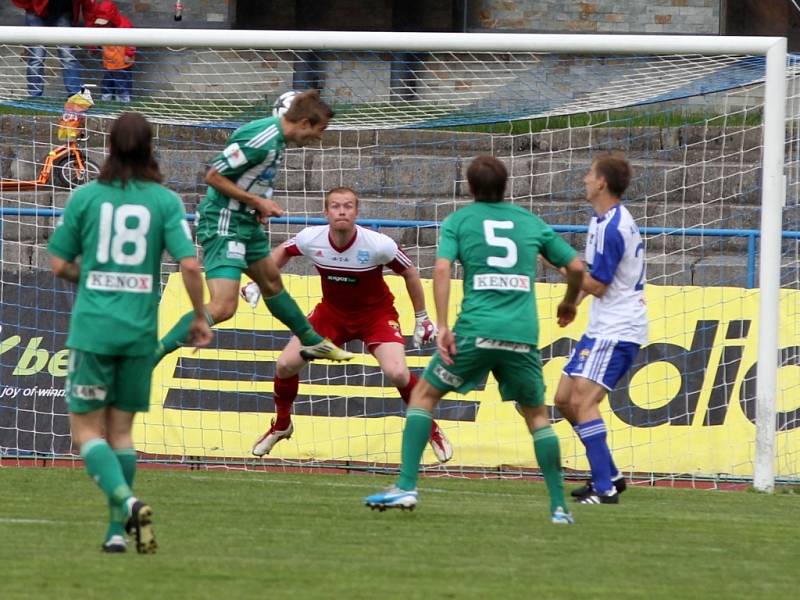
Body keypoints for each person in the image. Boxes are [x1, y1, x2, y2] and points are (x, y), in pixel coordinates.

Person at [364, 155, 585, 524]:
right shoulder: (529, 221)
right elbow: (576, 267)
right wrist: (568, 302)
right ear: (506, 186)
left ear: (469, 187)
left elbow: (441, 268)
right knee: (537, 417)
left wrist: (443, 325)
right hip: (521, 336)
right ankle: (559, 508)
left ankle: (406, 485)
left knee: (423, 397)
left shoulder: (459, 221)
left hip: (475, 331)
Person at [47, 112, 213, 553]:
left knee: (86, 433)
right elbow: (191, 265)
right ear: (149, 148)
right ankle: (115, 533)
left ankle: (126, 501)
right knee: (121, 434)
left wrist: (95, 274)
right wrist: (199, 316)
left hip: (94, 330)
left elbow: (60, 263)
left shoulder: (86, 198)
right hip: (140, 331)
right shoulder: (165, 202)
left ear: (110, 147)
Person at [242, 187, 453, 462]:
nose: (342, 211)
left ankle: (429, 427)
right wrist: (260, 281)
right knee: (285, 365)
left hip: (375, 316)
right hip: (331, 315)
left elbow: (411, 273)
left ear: (357, 212)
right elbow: (283, 251)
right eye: (336, 206)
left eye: (348, 206)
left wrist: (422, 318)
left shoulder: (378, 244)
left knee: (398, 373)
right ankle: (282, 424)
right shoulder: (311, 238)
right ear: (326, 212)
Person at [156, 90, 354, 365]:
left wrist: (259, 206)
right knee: (224, 306)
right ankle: (152, 354)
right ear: (304, 123)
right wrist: (256, 200)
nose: (319, 138)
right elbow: (214, 176)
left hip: (246, 222)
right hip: (224, 222)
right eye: (320, 130)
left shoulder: (279, 141)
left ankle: (312, 342)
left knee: (271, 282)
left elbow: (251, 178)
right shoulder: (261, 138)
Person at [554, 153, 647, 505]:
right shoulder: (600, 220)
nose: (584, 179)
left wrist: (563, 267)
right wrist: (573, 303)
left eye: (590, 174)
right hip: (601, 327)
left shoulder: (612, 227)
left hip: (619, 328)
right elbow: (592, 279)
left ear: (602, 183)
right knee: (564, 399)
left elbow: (600, 285)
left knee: (585, 401)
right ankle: (610, 474)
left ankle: (604, 488)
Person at [13, 0, 93, 98]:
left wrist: (91, 38)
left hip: (63, 12)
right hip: (36, 13)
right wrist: (30, 6)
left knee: (67, 56)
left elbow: (88, 5)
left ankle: (76, 95)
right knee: (37, 57)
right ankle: (34, 97)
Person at [89, 0, 135, 103]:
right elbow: (96, 38)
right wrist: (93, 47)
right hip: (108, 61)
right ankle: (106, 98)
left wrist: (129, 54)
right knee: (107, 82)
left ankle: (123, 100)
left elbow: (132, 41)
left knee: (122, 83)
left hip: (122, 62)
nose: (102, 25)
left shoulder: (124, 25)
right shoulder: (102, 26)